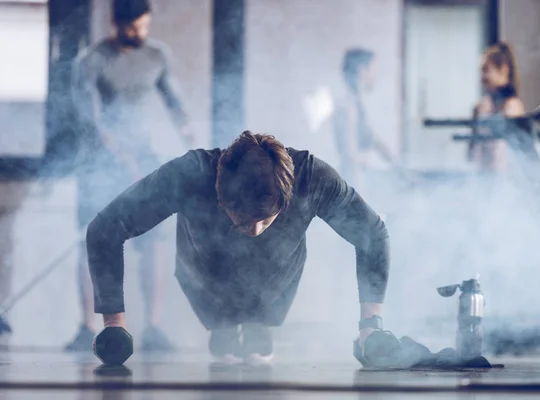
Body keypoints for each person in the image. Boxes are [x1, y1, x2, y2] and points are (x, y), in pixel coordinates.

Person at [86, 131, 390, 364]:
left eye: (265, 219)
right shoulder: (190, 175)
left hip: (276, 281)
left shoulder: (312, 178)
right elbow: (105, 228)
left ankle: (258, 323)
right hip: (207, 277)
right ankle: (224, 325)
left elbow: (372, 233)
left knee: (258, 346)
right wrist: (114, 324)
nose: (255, 231)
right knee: (225, 343)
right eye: (244, 221)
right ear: (220, 191)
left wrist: (371, 325)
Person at [67, 0, 194, 352]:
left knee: (152, 242)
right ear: (115, 23)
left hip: (144, 157)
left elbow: (175, 103)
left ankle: (153, 326)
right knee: (90, 240)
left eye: (143, 26)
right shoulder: (91, 61)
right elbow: (92, 122)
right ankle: (87, 326)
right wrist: (120, 160)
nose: (137, 33)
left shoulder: (157, 56)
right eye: (130, 28)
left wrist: (188, 134)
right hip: (99, 163)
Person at [333, 48, 396, 192]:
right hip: (353, 183)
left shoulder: (356, 104)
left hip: (360, 180)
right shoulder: (347, 107)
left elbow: (372, 139)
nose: (376, 76)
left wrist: (399, 168)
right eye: (374, 70)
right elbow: (349, 157)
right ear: (362, 71)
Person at [469, 41, 526, 171]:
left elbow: (514, 154)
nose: (482, 77)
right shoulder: (480, 109)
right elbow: (471, 154)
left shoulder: (512, 107)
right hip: (482, 179)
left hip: (505, 182)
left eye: (486, 70)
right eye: (481, 71)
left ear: (503, 70)